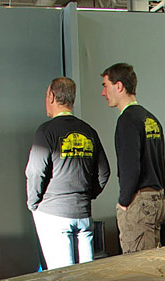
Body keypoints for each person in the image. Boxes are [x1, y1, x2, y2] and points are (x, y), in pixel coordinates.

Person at [26, 76, 109, 269]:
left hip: (54, 215)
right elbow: (104, 173)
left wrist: (33, 203)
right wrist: (86, 196)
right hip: (83, 215)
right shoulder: (89, 131)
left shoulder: (46, 132)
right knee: (85, 278)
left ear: (52, 96)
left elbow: (35, 171)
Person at [100, 63, 165, 254]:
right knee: (152, 264)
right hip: (156, 199)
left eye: (105, 85)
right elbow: (160, 163)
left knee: (138, 269)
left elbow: (130, 167)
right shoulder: (151, 119)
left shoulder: (127, 120)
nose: (104, 93)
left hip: (139, 202)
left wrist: (124, 201)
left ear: (119, 86)